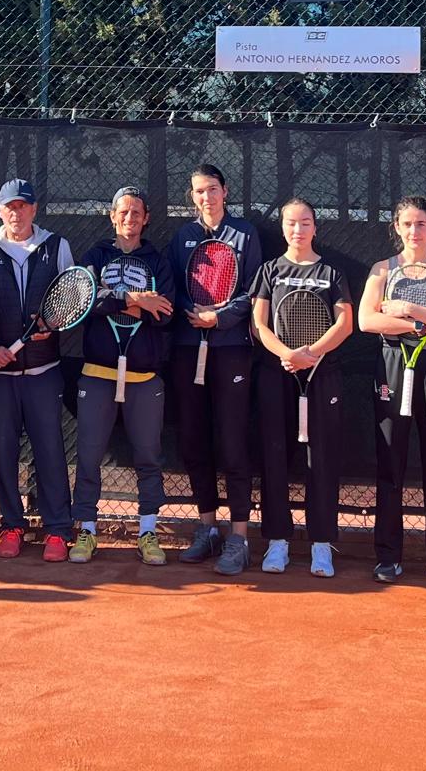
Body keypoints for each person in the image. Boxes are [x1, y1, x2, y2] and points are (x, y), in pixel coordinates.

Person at [357, 195, 426, 587]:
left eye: (421, 223)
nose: (414, 231)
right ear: (397, 228)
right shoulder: (381, 270)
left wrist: (406, 310)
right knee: (391, 464)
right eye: (407, 223)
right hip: (391, 365)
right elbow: (367, 320)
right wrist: (423, 324)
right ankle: (388, 557)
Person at [0, 178, 77, 561]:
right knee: (2, 452)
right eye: (9, 207)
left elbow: (71, 300)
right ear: (1, 211)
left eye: (23, 206)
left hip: (44, 371)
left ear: (34, 209)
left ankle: (58, 530)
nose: (16, 213)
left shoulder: (56, 247)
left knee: (50, 450)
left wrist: (54, 324)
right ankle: (11, 524)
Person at [69, 187, 176, 566]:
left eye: (136, 213)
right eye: (123, 213)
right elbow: (83, 301)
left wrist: (117, 299)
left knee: (148, 457)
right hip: (96, 374)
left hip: (144, 379)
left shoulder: (158, 261)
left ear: (146, 218)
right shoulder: (96, 256)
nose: (129, 219)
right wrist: (135, 300)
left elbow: (165, 312)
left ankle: (147, 532)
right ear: (112, 217)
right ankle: (86, 532)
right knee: (88, 457)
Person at [166, 163, 263, 573]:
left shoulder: (246, 234)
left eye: (212, 189)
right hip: (188, 351)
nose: (206, 197)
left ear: (225, 191)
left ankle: (239, 537)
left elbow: (254, 289)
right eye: (199, 191)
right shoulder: (182, 238)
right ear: (193, 197)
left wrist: (219, 318)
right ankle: (207, 529)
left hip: (232, 351)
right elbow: (171, 289)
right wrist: (193, 314)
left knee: (233, 442)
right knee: (193, 440)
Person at [249, 198, 353, 578]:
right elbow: (260, 324)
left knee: (321, 459)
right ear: (283, 228)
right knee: (274, 456)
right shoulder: (269, 271)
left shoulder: (331, 273)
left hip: (322, 375)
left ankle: (321, 544)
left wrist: (311, 353)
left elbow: (345, 324)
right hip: (277, 375)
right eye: (292, 223)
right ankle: (277, 541)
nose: (298, 230)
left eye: (305, 223)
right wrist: (286, 355)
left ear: (315, 227)